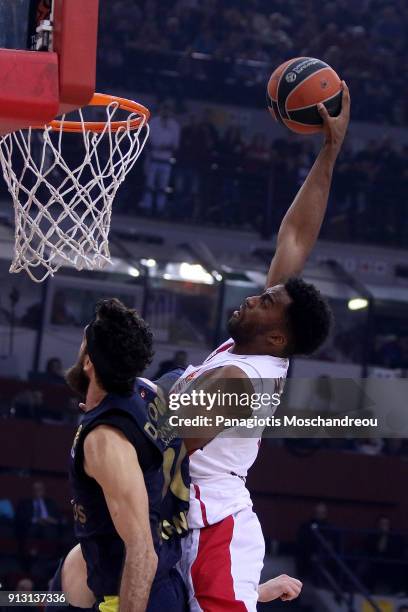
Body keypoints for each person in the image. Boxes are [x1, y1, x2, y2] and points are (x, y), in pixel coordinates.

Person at [171, 83, 351, 611]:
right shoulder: (256, 351)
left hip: (213, 530)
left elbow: (168, 449)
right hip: (200, 527)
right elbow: (294, 237)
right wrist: (330, 150)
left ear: (278, 335)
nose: (254, 297)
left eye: (267, 301)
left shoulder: (242, 380)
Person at [48, 298, 189, 612]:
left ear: (88, 362)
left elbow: (142, 552)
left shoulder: (105, 441)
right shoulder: (150, 393)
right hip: (151, 577)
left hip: (131, 596)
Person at [141, 102, 180, 214]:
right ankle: (147, 207)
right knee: (149, 185)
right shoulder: (153, 122)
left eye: (168, 110)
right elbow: (147, 140)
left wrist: (164, 147)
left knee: (162, 187)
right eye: (164, 109)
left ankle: (160, 208)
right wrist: (154, 147)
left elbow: (175, 145)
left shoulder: (174, 125)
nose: (166, 112)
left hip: (166, 160)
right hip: (153, 158)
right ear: (161, 110)